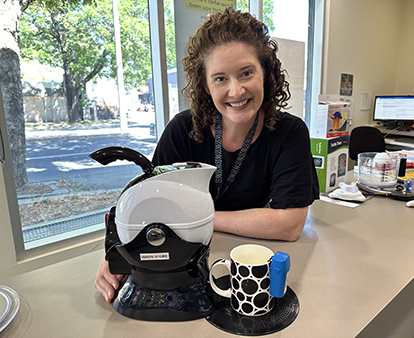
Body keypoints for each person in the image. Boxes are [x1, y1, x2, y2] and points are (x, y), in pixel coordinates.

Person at [95, 7, 319, 303]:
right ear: (206, 86)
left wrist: (199, 220)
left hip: (246, 261)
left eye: (246, 73)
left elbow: (289, 224)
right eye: (220, 79)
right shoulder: (181, 130)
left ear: (266, 71)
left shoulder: (289, 133)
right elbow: (144, 200)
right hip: (180, 262)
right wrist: (118, 250)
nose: (236, 90)